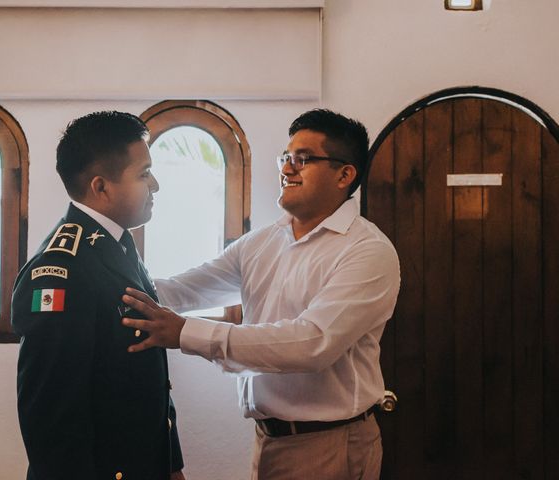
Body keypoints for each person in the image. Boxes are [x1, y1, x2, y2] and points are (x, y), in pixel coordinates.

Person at [120, 109, 400, 480]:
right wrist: (111, 282)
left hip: (330, 446)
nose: (286, 169)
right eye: (285, 158)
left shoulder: (367, 251)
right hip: (267, 440)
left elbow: (311, 343)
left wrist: (184, 332)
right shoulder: (263, 242)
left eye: (303, 159)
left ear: (344, 174)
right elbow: (186, 288)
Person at [11, 111, 185, 480]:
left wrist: (170, 464)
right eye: (143, 174)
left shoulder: (117, 245)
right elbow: (52, 417)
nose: (155, 184)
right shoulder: (61, 270)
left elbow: (149, 379)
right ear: (101, 187)